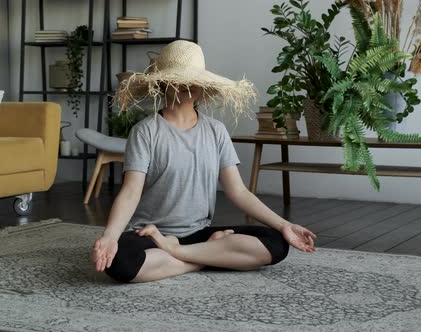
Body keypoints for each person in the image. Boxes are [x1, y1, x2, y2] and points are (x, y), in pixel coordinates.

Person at [92, 40, 316, 283]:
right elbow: (130, 192)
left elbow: (239, 192)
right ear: (163, 83)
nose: (188, 85)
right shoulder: (145, 131)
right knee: (119, 262)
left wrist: (285, 225)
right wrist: (110, 236)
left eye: (193, 79)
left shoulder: (216, 131)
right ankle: (204, 258)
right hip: (151, 233)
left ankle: (177, 253)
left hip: (199, 234)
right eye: (179, 79)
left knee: (276, 244)